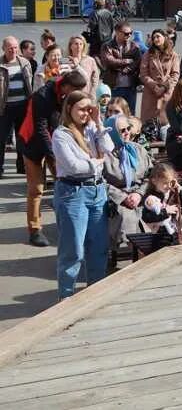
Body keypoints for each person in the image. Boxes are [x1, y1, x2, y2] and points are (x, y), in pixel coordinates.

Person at [52, 90, 113, 298]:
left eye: (89, 109)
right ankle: (66, 299)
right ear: (69, 109)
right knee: (73, 252)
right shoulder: (61, 134)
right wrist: (95, 163)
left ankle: (94, 296)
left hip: (97, 191)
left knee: (99, 249)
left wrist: (99, 122)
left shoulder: (91, 128)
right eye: (81, 109)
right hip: (72, 192)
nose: (86, 113)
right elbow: (72, 167)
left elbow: (109, 148)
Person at [19, 70, 89, 247]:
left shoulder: (68, 94)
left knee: (66, 181)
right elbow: (41, 129)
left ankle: (69, 222)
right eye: (74, 91)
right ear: (65, 86)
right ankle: (34, 230)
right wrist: (56, 156)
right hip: (33, 142)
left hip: (56, 140)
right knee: (36, 189)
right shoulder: (42, 96)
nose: (76, 95)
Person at [102, 113, 154, 262]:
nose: (127, 133)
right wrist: (123, 198)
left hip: (141, 195)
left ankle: (146, 254)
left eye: (128, 128)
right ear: (111, 132)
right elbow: (100, 182)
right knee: (127, 216)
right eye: (122, 130)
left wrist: (139, 193)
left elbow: (151, 175)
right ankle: (139, 257)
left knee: (158, 210)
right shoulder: (104, 155)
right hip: (117, 199)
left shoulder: (138, 150)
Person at [0, 36, 34, 178]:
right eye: (10, 48)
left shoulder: (25, 63)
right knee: (1, 139)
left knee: (22, 138)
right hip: (5, 107)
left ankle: (22, 166)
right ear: (3, 49)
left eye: (15, 47)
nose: (13, 50)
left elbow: (30, 83)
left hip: (23, 106)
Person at [137, 29, 180, 124]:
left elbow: (175, 75)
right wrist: (154, 86)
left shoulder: (173, 55)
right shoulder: (148, 54)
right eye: (154, 38)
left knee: (165, 123)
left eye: (158, 36)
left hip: (166, 92)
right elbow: (143, 74)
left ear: (164, 37)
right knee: (149, 124)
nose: (156, 39)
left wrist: (164, 87)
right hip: (151, 92)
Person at [99, 21, 141, 112]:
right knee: (113, 113)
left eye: (131, 33)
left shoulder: (134, 46)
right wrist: (126, 61)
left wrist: (129, 68)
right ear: (117, 32)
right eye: (126, 33)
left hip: (130, 87)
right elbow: (108, 61)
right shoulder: (107, 46)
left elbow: (138, 61)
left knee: (130, 113)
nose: (129, 35)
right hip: (114, 86)